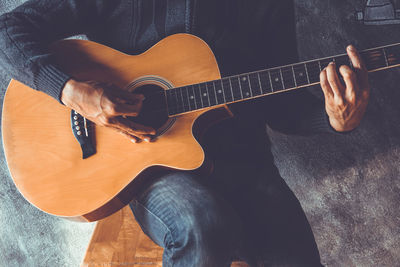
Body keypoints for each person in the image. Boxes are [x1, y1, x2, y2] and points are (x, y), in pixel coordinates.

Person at [0, 0, 370, 266]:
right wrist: (71, 91)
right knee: (204, 224)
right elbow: (7, 31)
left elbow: (282, 107)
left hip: (246, 164)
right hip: (150, 167)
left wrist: (337, 119)